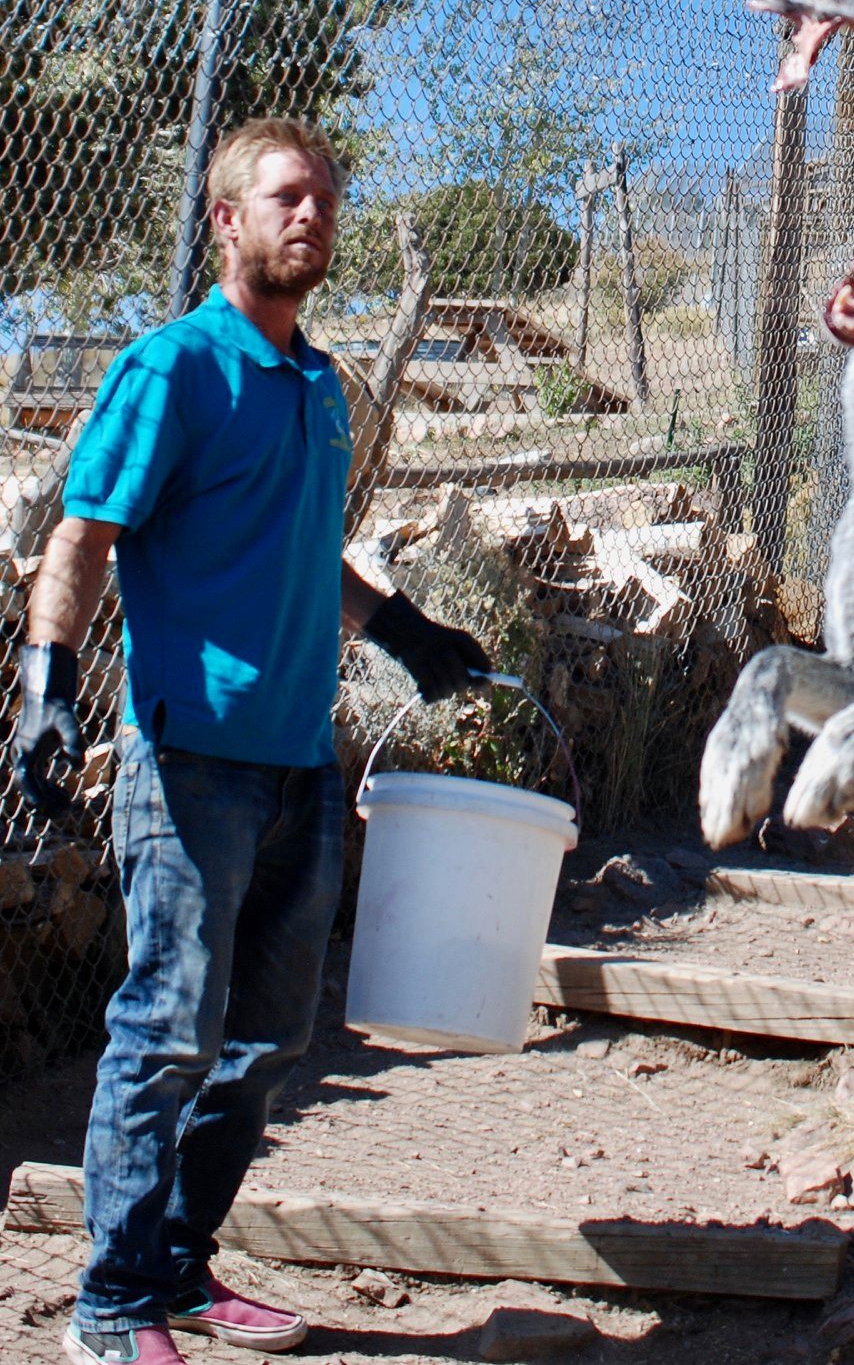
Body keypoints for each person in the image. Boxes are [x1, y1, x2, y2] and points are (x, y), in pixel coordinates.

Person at [9, 118, 491, 1365]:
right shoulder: (172, 369)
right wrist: (48, 674)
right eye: (286, 196)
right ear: (226, 219)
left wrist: (401, 627)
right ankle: (108, 1309)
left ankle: (178, 1265)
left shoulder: (320, 386)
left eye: (326, 197)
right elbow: (82, 536)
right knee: (167, 1027)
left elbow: (299, 549)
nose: (312, 215)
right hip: (191, 761)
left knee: (270, 1036)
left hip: (299, 756)